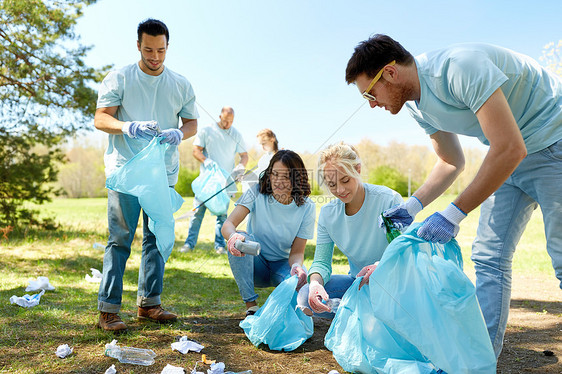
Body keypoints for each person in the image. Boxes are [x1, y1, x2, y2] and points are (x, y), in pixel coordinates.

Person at [345, 34, 562, 356]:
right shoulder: (418, 109)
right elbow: (451, 161)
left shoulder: (460, 67)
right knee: (489, 257)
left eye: (369, 93)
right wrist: (411, 207)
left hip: (552, 143)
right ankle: (483, 357)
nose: (372, 103)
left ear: (389, 73)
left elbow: (511, 147)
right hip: (508, 158)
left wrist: (453, 214)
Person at [94, 18, 198, 332]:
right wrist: (128, 126)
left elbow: (192, 123)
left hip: (162, 175)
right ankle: (108, 310)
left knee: (155, 239)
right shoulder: (120, 78)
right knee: (120, 239)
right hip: (125, 171)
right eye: (149, 49)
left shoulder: (180, 84)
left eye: (161, 50)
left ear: (168, 48)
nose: (155, 56)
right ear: (138, 45)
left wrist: (179, 134)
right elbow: (100, 118)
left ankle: (149, 304)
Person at [298, 143, 403, 317]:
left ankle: (359, 314)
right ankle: (361, 314)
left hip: (393, 284)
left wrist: (379, 266)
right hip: (359, 284)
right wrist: (316, 283)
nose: (339, 190)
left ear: (358, 169)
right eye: (332, 185)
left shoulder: (388, 200)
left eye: (345, 180)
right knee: (305, 295)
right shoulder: (328, 214)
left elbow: (404, 250)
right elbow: (322, 262)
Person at [221, 150, 316, 316]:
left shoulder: (307, 206)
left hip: (283, 265)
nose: (278, 181)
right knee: (240, 238)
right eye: (275, 174)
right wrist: (233, 236)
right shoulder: (256, 192)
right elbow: (228, 224)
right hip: (254, 264)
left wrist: (296, 266)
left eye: (286, 176)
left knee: (302, 298)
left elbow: (298, 252)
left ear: (296, 178)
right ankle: (251, 306)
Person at [181, 106, 248, 254]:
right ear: (219, 117)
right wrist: (205, 160)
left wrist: (241, 166)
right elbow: (195, 150)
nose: (227, 124)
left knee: (222, 216)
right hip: (207, 181)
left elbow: (244, 155)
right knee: (197, 213)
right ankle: (189, 244)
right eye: (225, 121)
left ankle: (219, 246)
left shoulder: (235, 134)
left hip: (225, 183)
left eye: (231, 121)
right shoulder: (207, 130)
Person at [241, 128, 279, 193]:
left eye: (264, 143)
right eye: (260, 144)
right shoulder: (264, 158)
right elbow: (259, 171)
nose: (262, 147)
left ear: (272, 140)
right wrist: (247, 177)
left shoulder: (280, 156)